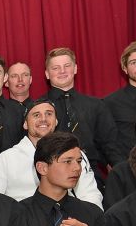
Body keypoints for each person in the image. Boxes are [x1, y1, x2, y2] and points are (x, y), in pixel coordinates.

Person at [0, 99, 102, 206]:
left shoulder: (74, 154)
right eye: (36, 115)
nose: (43, 119)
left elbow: (90, 195)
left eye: (49, 114)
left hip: (66, 217)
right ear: (25, 124)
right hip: (22, 218)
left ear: (56, 121)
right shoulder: (7, 158)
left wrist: (84, 219)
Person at [42, 47, 128, 175]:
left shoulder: (96, 105)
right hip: (52, 172)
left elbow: (110, 144)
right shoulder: (39, 108)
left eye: (67, 66)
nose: (62, 71)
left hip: (91, 172)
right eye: (55, 68)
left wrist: (123, 174)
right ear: (47, 74)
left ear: (75, 68)